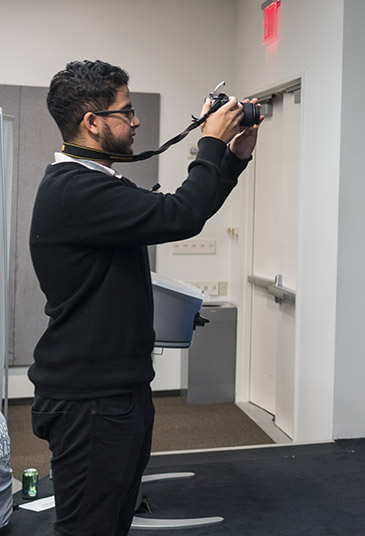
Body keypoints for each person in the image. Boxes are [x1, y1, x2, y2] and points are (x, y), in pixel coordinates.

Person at [28, 60, 261, 535]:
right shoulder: (75, 190)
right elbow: (180, 215)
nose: (136, 122)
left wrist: (232, 158)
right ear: (92, 122)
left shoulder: (94, 184)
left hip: (113, 390)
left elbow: (179, 212)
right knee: (89, 527)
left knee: (113, 520)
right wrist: (210, 142)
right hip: (90, 401)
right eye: (126, 111)